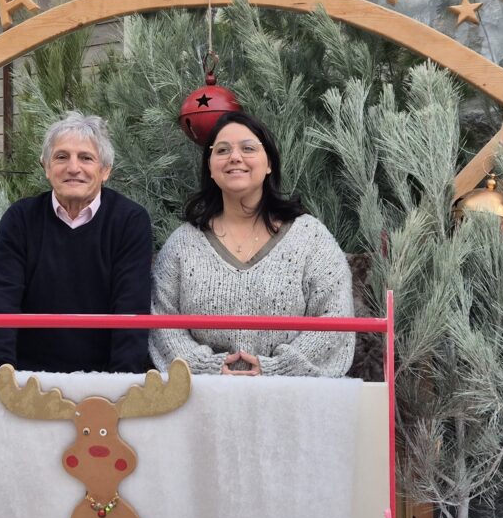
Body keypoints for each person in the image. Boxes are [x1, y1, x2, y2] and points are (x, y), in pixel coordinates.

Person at [150, 112, 355, 376]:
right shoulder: (182, 244)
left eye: (248, 148)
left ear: (269, 163)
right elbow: (162, 321)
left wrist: (278, 368)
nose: (235, 157)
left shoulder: (310, 237)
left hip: (294, 401)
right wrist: (205, 367)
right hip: (202, 401)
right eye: (222, 150)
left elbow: (335, 316)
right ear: (210, 168)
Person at [0, 112, 153, 372]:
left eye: (86, 158)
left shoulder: (129, 220)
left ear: (105, 170)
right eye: (62, 157)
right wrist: (0, 374)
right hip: (28, 378)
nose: (73, 168)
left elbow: (131, 308)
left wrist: (122, 385)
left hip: (106, 380)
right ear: (46, 167)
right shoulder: (20, 219)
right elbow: (2, 300)